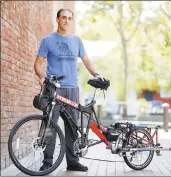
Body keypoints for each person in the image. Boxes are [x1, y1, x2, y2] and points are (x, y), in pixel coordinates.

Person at [34, 8, 106, 172]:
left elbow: (86, 60)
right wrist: (42, 77)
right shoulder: (48, 40)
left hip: (72, 89)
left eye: (69, 18)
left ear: (71, 21)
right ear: (58, 20)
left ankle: (73, 162)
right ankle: (47, 162)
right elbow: (37, 64)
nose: (66, 21)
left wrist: (96, 73)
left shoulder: (77, 41)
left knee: (72, 127)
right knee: (50, 126)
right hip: (54, 89)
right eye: (64, 18)